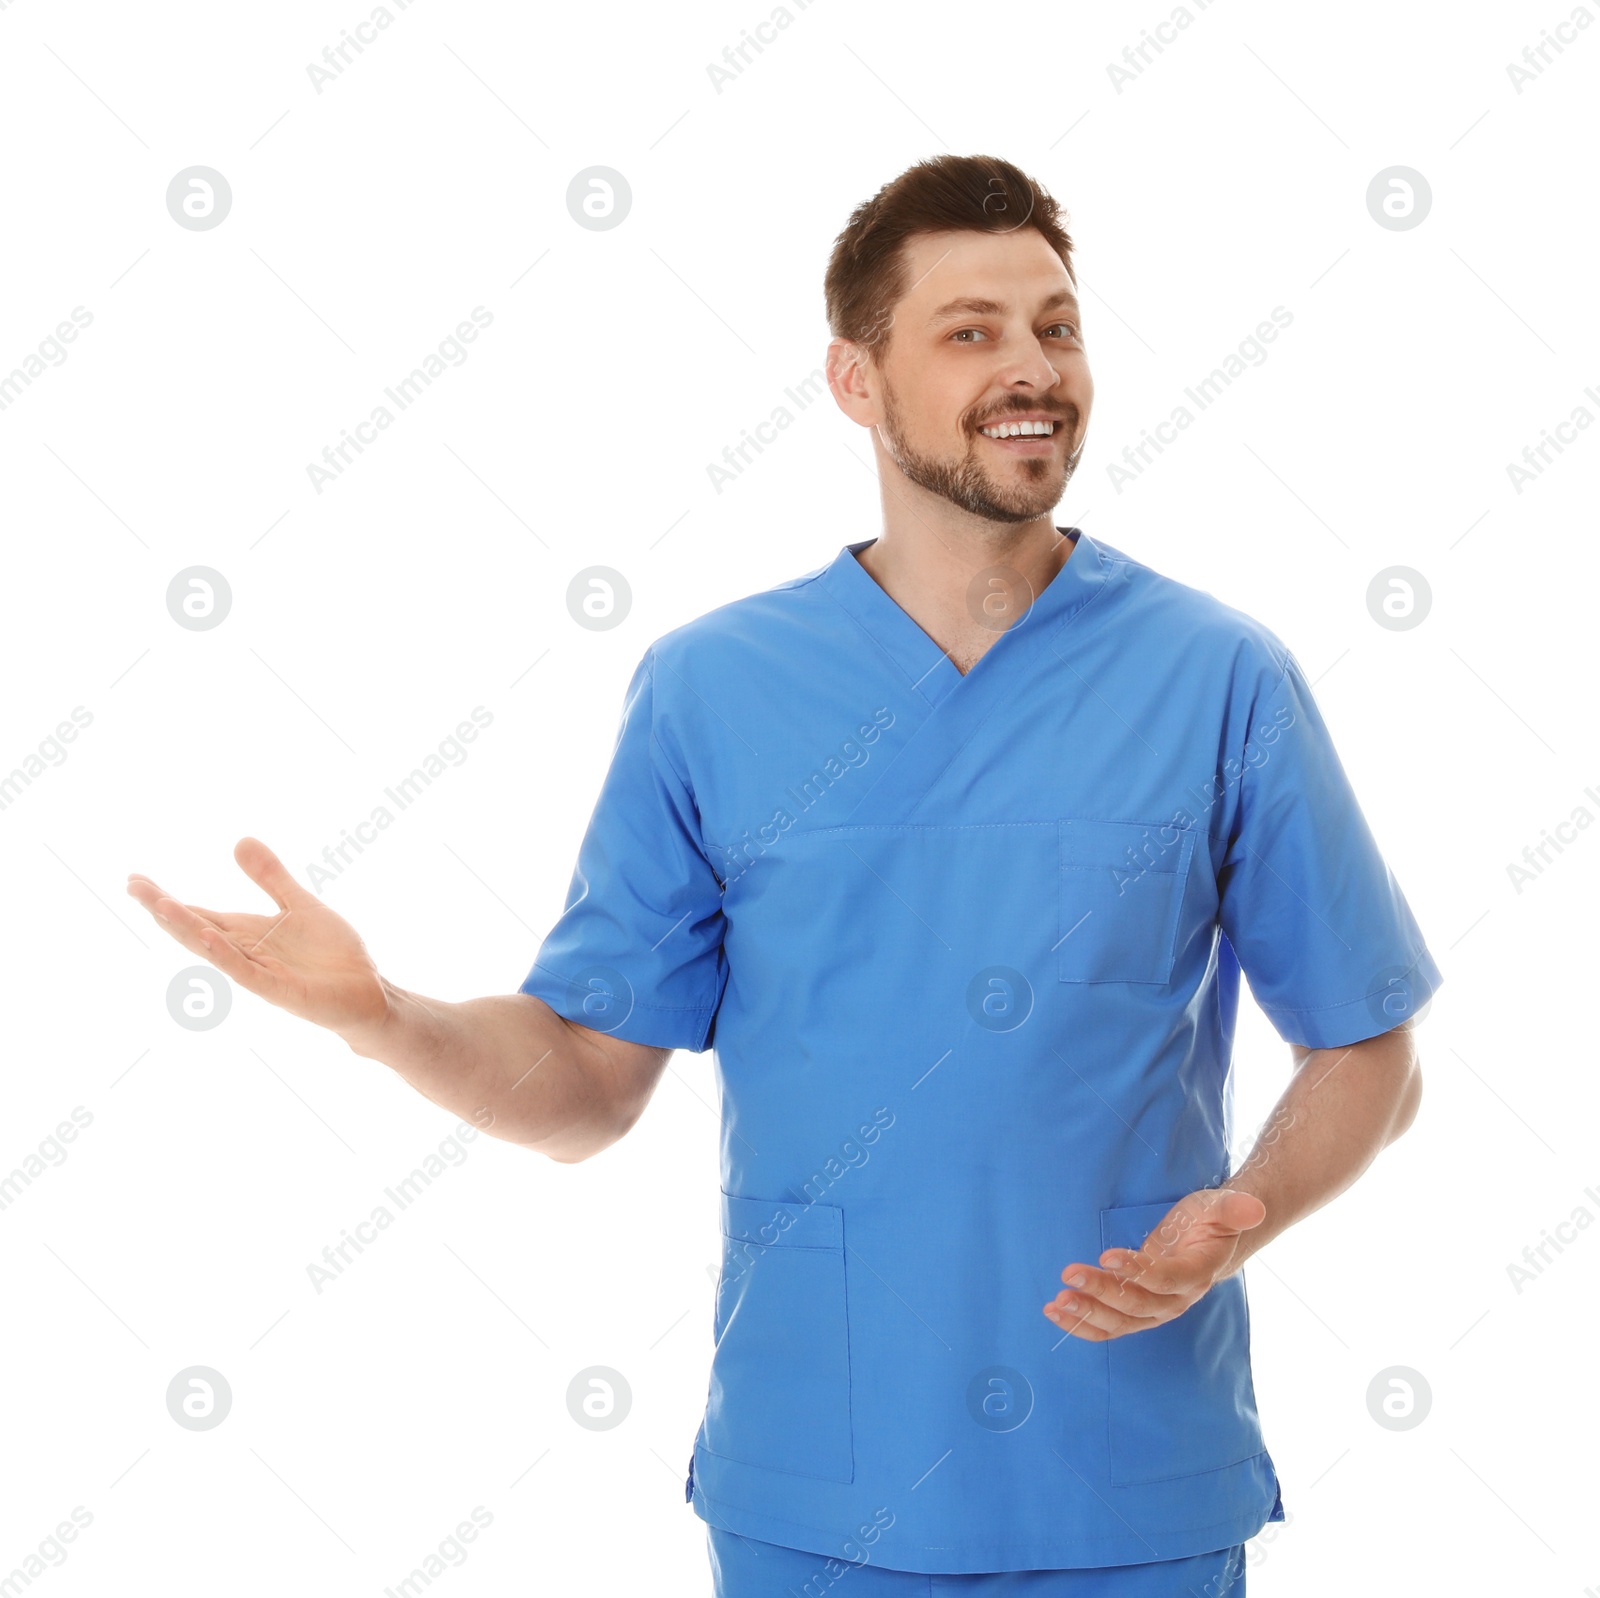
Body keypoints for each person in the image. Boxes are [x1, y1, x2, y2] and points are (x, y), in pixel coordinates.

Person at [128, 154, 1441, 1595]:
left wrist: (1238, 1215)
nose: (1034, 368)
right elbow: (580, 1088)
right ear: (854, 381)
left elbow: (1367, 1046)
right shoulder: (711, 690)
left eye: (1057, 326)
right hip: (820, 1494)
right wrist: (382, 1013)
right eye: (971, 330)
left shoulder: (1219, 679)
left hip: (1130, 1489)